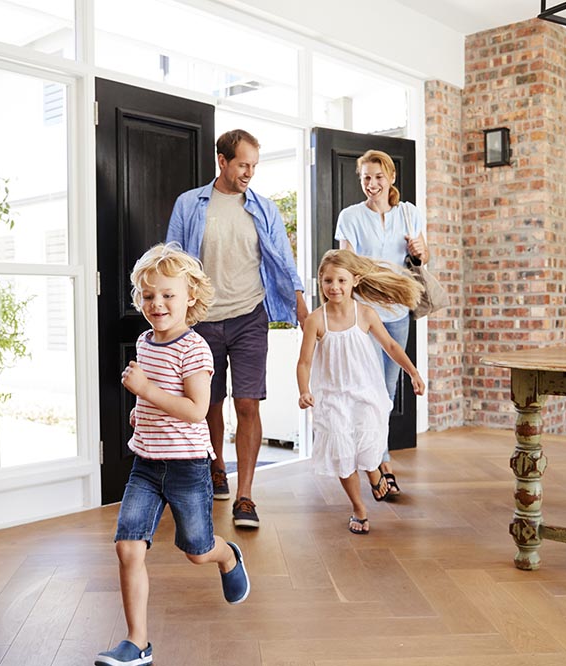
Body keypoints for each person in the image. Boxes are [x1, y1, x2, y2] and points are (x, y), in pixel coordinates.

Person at [96, 243, 250, 666]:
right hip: (145, 465)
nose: (157, 304)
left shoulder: (194, 350)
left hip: (187, 468)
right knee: (128, 547)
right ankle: (137, 642)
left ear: (190, 298)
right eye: (148, 296)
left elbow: (196, 410)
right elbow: (160, 399)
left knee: (196, 550)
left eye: (168, 295)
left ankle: (227, 555)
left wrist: (146, 391)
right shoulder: (145, 341)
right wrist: (140, 411)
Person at [167, 129, 308, 529]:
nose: (249, 172)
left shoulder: (263, 208)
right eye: (243, 164)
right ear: (222, 161)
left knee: (247, 403)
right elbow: (173, 259)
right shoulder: (190, 204)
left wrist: (299, 302)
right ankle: (216, 466)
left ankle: (245, 495)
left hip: (249, 315)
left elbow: (282, 258)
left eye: (254, 166)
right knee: (209, 403)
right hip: (203, 321)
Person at [296, 250, 426, 534]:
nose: (335, 287)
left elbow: (391, 346)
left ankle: (374, 471)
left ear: (355, 281)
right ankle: (359, 508)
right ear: (321, 282)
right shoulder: (316, 321)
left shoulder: (365, 314)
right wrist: (304, 391)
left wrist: (413, 372)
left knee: (368, 443)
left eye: (341, 280)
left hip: (365, 392)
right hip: (331, 397)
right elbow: (304, 361)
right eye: (328, 280)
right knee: (343, 454)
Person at [334, 149, 429, 497]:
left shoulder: (409, 213)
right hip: (366, 314)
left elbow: (423, 257)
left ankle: (376, 456)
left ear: (390, 178)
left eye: (377, 177)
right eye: (365, 178)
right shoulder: (350, 216)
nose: (371, 184)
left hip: (399, 312)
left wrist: (419, 249)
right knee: (367, 389)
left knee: (386, 392)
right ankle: (380, 462)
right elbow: (345, 264)